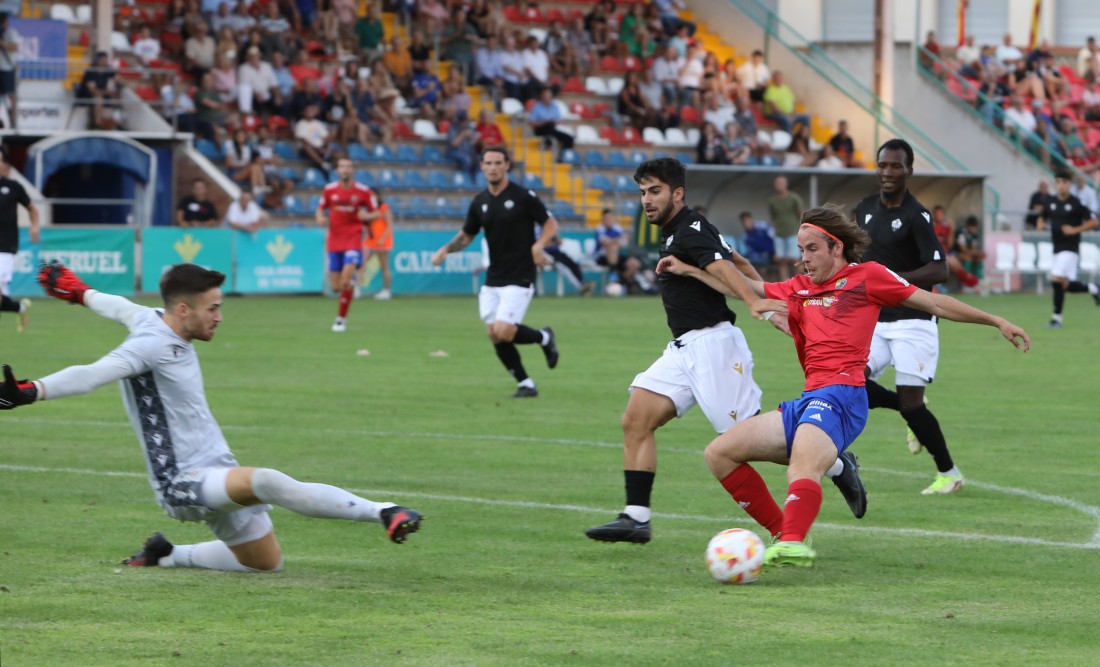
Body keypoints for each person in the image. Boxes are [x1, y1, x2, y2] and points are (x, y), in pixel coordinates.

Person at [657, 205, 1029, 566]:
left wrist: (995, 320)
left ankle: (792, 544)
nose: (805, 258)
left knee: (802, 465)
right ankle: (782, 532)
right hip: (809, 399)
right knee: (719, 453)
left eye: (813, 249)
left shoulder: (868, 277)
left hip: (844, 396)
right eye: (801, 250)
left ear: (837, 248)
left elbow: (935, 303)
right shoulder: (799, 287)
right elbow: (748, 288)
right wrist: (690, 270)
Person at [0, 261, 422, 573]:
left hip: (216, 470)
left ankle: (167, 556)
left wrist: (80, 292)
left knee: (267, 564)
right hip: (180, 482)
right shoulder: (149, 345)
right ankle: (384, 511)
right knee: (267, 481)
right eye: (212, 308)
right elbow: (92, 375)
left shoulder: (152, 317)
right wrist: (31, 391)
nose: (219, 316)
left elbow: (117, 306)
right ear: (183, 310)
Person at [583, 158, 866, 545]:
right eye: (643, 193)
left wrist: (754, 303)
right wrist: (762, 298)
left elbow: (721, 265)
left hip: (714, 347)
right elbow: (739, 261)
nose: (647, 200)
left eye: (655, 192)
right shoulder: (678, 231)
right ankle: (636, 517)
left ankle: (830, 468)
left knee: (742, 442)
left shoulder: (690, 228)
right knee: (636, 419)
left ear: (677, 194)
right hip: (682, 350)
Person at [855, 139, 967, 495]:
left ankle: (949, 473)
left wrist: (894, 281)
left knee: (912, 404)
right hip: (875, 319)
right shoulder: (864, 209)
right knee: (850, 381)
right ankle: (904, 407)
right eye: (882, 165)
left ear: (908, 171)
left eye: (895, 166)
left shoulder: (917, 216)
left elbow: (939, 269)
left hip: (913, 320)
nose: (887, 172)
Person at [431, 146, 560, 398]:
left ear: (507, 165)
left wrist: (538, 245)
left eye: (498, 162)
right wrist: (445, 249)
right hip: (494, 277)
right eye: (488, 163)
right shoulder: (480, 202)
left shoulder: (523, 196)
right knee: (494, 334)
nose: (493, 167)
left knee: (503, 329)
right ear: (481, 166)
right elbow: (467, 234)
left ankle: (544, 337)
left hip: (520, 275)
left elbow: (550, 223)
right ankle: (526, 384)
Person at [316, 158, 377, 333]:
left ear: (353, 171)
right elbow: (320, 208)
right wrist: (320, 217)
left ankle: (340, 319)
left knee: (345, 279)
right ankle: (350, 285)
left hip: (353, 238)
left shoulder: (364, 191)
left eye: (349, 166)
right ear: (337, 170)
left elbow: (377, 213)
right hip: (334, 240)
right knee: (336, 287)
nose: (345, 169)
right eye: (342, 166)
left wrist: (366, 217)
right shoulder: (329, 190)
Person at [1038, 169, 1100, 328]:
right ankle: (1093, 288)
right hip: (1056, 249)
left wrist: (1075, 230)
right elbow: (1042, 216)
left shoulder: (1076, 203)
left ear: (1069, 184)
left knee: (1055, 278)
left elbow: (1094, 222)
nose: (1061, 185)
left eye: (1064, 182)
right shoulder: (1050, 201)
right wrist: (1040, 223)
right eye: (1058, 182)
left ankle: (1056, 319)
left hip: (1070, 249)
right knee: (1064, 285)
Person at [0, 149, 38, 331]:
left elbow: (32, 208)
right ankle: (20, 307)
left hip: (5, 247)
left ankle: (19, 308)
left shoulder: (14, 187)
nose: (3, 164)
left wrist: (34, 226)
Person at [361, 187, 394, 301]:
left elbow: (389, 225)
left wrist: (383, 238)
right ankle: (356, 288)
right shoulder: (367, 209)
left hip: (382, 242)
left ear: (378, 196)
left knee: (384, 267)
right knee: (361, 264)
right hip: (370, 241)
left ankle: (386, 290)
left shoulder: (383, 208)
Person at [768, 175, 803, 280]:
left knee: (795, 259)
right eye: (778, 183)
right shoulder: (772, 200)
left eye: (782, 183)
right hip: (779, 233)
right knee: (781, 260)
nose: (780, 185)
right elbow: (773, 216)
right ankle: (784, 283)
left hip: (792, 232)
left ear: (786, 184)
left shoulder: (794, 198)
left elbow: (800, 213)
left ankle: (799, 281)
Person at [0, 12, 21, 128]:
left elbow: (15, 47)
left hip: (8, 69)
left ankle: (13, 122)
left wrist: (2, 43)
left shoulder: (11, 33)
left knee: (11, 96)